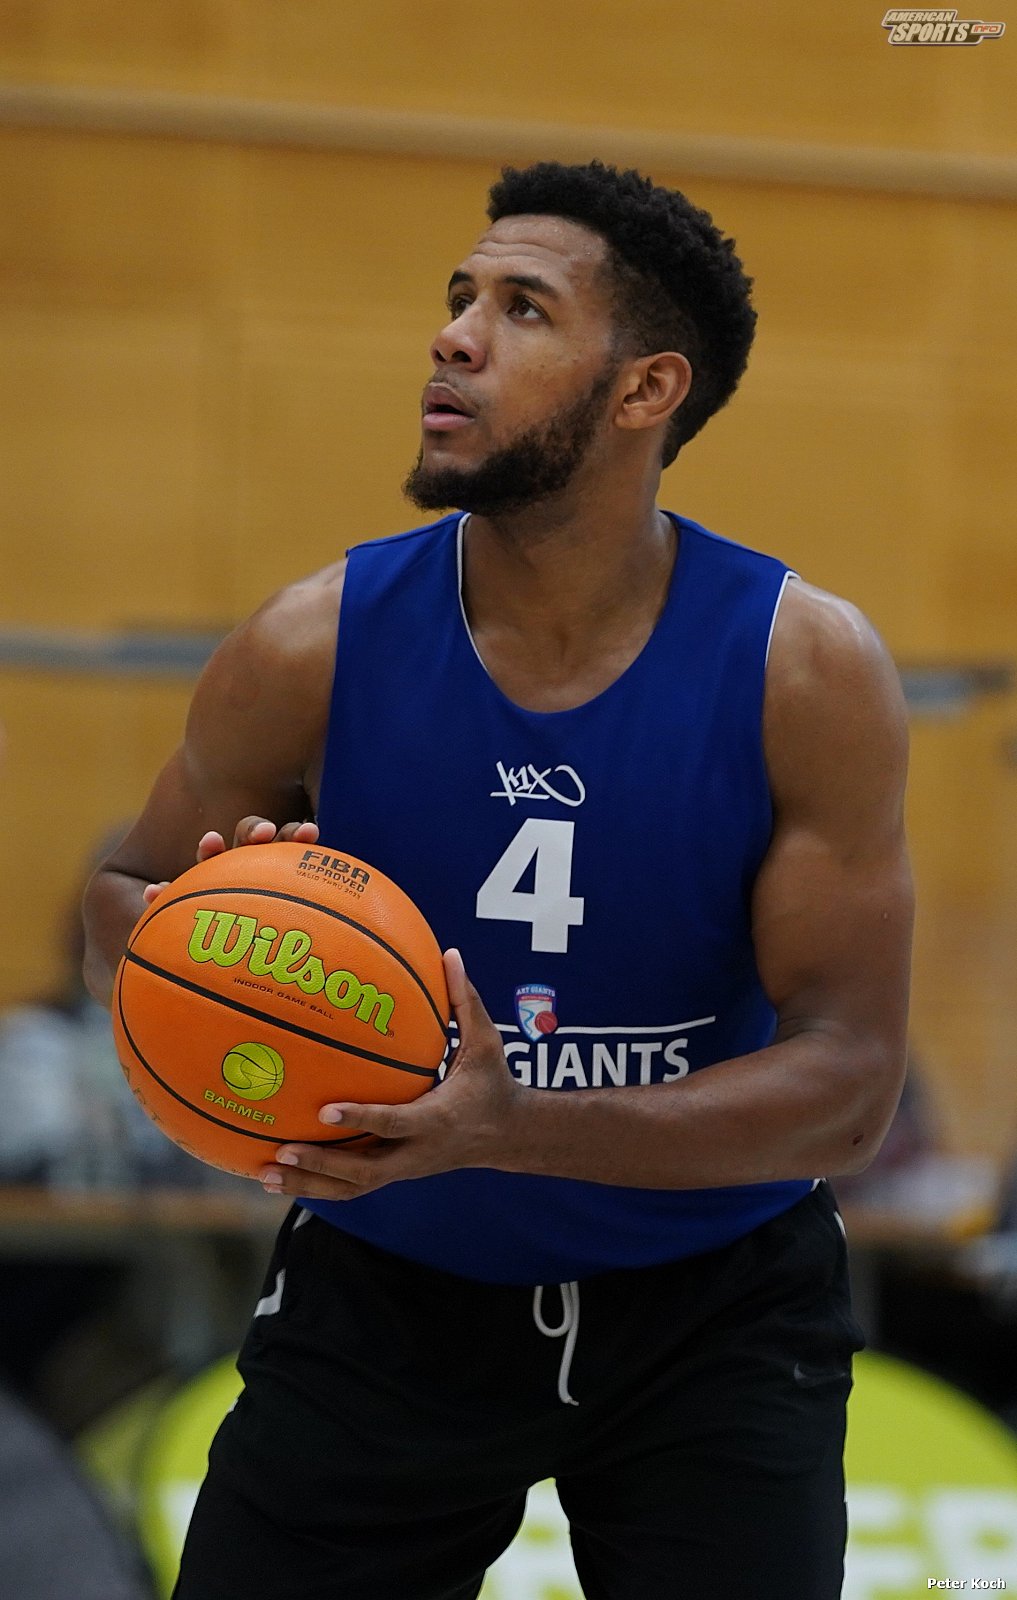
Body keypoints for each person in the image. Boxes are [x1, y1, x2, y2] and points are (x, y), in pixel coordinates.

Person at [82, 161, 914, 1600]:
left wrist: (509, 1125)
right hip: (389, 1289)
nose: (453, 336)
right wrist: (188, 952)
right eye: (459, 296)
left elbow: (847, 1087)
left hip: (712, 1312)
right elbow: (117, 893)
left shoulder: (803, 669)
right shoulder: (313, 642)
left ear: (646, 389)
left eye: (522, 308)